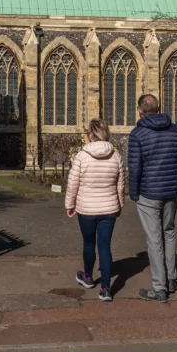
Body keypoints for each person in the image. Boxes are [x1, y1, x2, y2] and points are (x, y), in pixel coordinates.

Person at [127, 93, 177, 303]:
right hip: (171, 190)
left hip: (149, 192)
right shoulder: (174, 129)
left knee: (154, 240)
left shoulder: (138, 134)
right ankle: (171, 279)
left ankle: (159, 288)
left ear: (140, 111)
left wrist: (133, 193)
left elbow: (134, 168)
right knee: (169, 233)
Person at [65, 118, 124, 302]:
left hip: (87, 209)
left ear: (90, 134)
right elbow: (120, 185)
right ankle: (106, 289)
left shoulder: (82, 156)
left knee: (89, 243)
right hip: (108, 209)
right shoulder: (116, 155)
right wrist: (119, 205)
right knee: (105, 247)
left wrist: (70, 204)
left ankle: (88, 277)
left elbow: (73, 183)